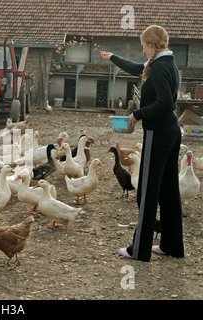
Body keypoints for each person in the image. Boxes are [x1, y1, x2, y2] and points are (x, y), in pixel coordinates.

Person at [100, 25, 184, 262]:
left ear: (150, 44)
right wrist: (112, 58)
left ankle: (140, 249)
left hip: (158, 133)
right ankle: (172, 245)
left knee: (146, 192)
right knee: (168, 191)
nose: (143, 50)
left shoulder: (159, 68)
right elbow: (137, 68)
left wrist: (137, 114)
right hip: (171, 131)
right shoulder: (165, 63)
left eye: (143, 46)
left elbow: (166, 103)